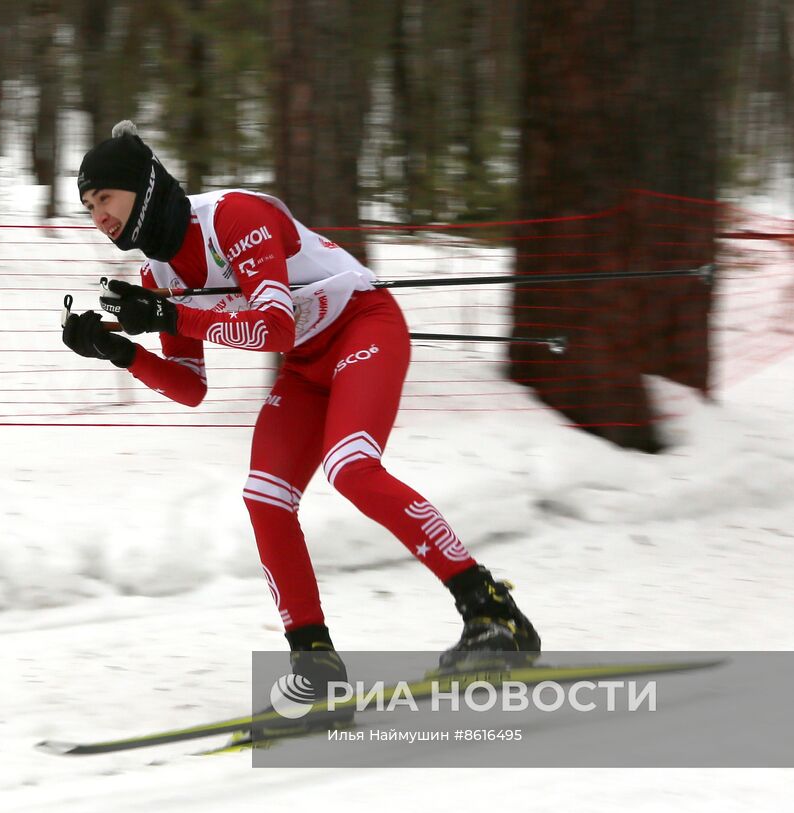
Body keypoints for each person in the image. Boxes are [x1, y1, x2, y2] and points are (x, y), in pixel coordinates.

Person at [61, 121, 540, 697]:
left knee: (352, 469)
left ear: (142, 185)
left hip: (363, 326)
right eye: (89, 207)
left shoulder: (232, 218)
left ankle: (494, 614)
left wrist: (171, 318)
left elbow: (275, 325)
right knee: (264, 497)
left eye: (105, 198)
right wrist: (119, 350)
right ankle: (315, 665)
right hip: (308, 367)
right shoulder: (157, 272)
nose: (99, 217)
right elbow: (190, 386)